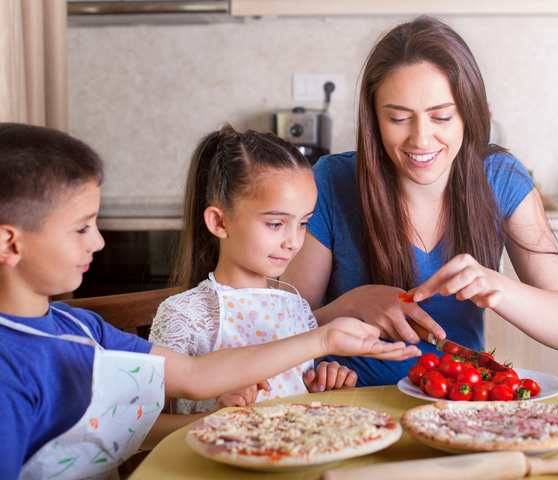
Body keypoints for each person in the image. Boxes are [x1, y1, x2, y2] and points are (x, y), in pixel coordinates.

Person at [0, 122, 420, 480]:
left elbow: (185, 381)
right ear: (9, 242)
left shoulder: (80, 327)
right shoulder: (9, 368)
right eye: (81, 228)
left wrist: (323, 342)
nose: (99, 240)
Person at [280, 15, 558, 387]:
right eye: (398, 118)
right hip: (349, 403)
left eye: (441, 116)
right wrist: (352, 304)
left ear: (468, 115)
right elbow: (281, 329)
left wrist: (496, 286)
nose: (421, 140)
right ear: (373, 119)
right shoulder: (331, 181)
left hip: (454, 402)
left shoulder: (502, 179)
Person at [149, 125, 356, 416]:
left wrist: (321, 386)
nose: (294, 242)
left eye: (303, 223)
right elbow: (144, 428)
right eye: (275, 224)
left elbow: (291, 394)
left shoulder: (297, 310)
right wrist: (215, 411)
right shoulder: (186, 316)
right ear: (220, 223)